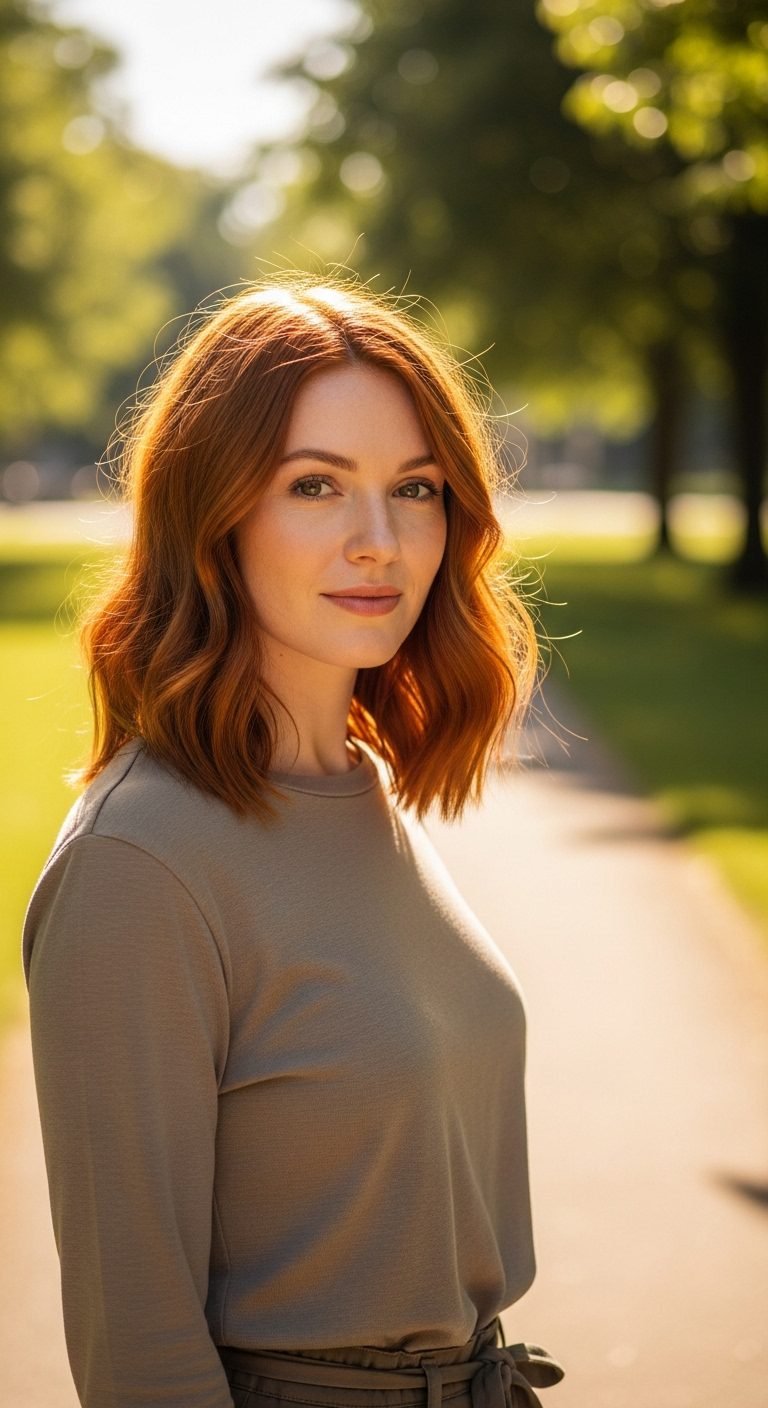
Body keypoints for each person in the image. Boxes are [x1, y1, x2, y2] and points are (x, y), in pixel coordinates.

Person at [22, 275, 565, 1408]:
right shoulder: (140, 862)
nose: (380, 542)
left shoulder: (363, 785)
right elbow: (135, 1347)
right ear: (212, 512)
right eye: (315, 484)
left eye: (414, 488)